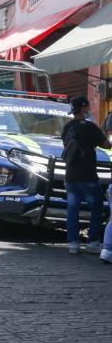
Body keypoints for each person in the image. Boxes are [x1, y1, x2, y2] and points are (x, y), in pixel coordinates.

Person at [61, 96, 111, 254]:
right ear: (84, 108)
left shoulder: (67, 127)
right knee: (97, 207)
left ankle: (73, 244)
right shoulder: (89, 127)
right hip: (87, 175)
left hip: (70, 175)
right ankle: (93, 242)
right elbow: (107, 145)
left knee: (72, 209)